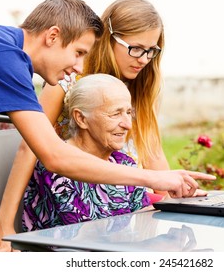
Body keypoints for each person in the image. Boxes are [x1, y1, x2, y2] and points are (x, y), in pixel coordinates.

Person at [0, 0, 215, 251]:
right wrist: (4, 226)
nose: (143, 59)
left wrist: (175, 191)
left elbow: (153, 154)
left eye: (151, 51)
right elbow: (30, 148)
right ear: (109, 39)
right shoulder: (67, 77)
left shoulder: (139, 87)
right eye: (135, 48)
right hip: (71, 204)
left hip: (120, 207)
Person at [23, 74, 153, 231]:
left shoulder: (124, 163)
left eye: (128, 113)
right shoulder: (57, 168)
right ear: (81, 119)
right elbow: (85, 238)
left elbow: (141, 222)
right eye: (115, 114)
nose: (127, 125)